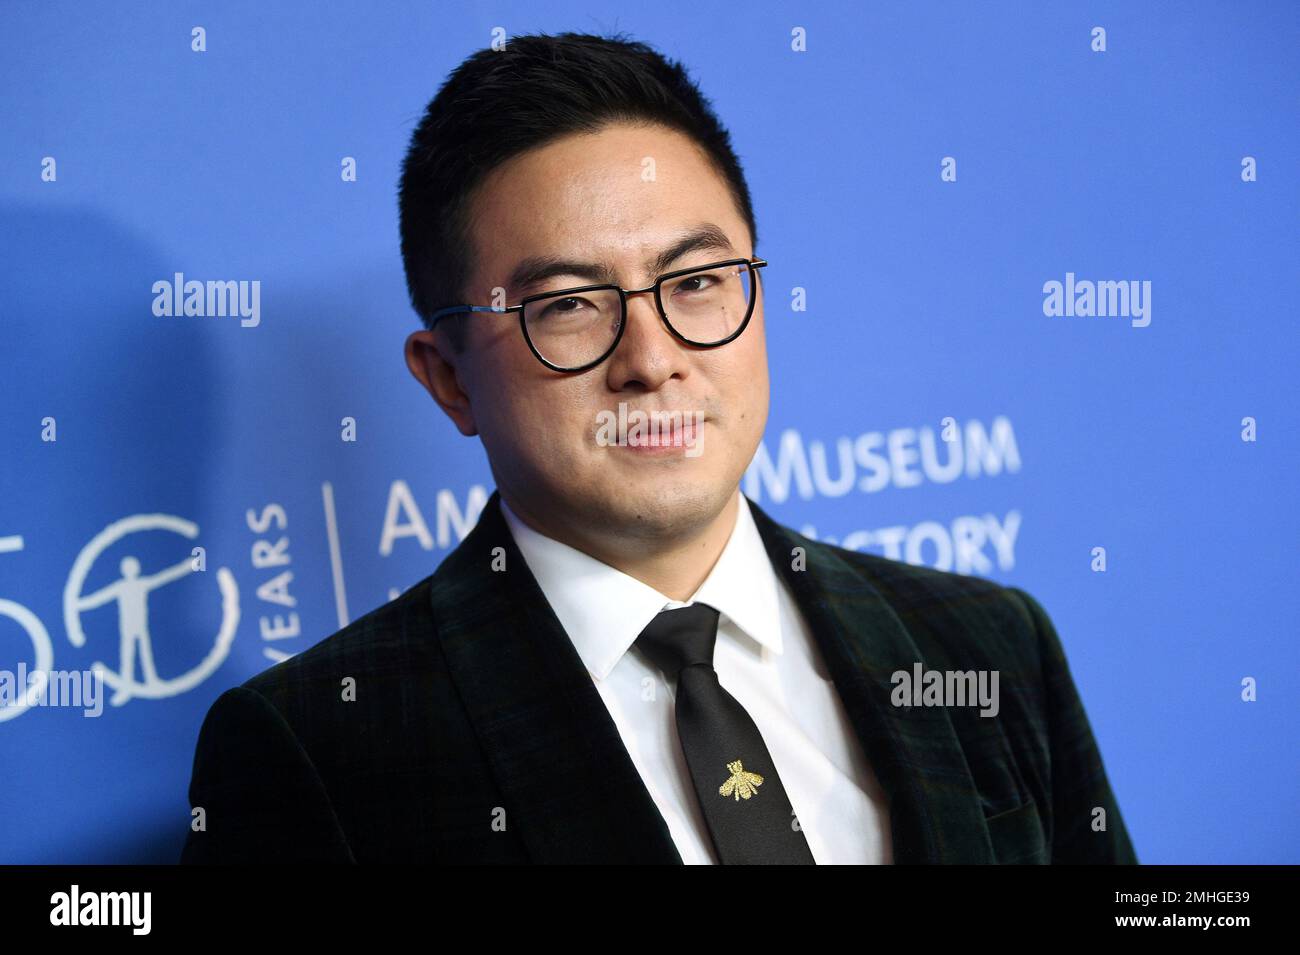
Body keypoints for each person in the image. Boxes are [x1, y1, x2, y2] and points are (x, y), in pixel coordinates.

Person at [180, 31, 1137, 865]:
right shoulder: (318, 749)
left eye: (697, 281)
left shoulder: (989, 646)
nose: (653, 358)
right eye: (567, 306)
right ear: (449, 377)